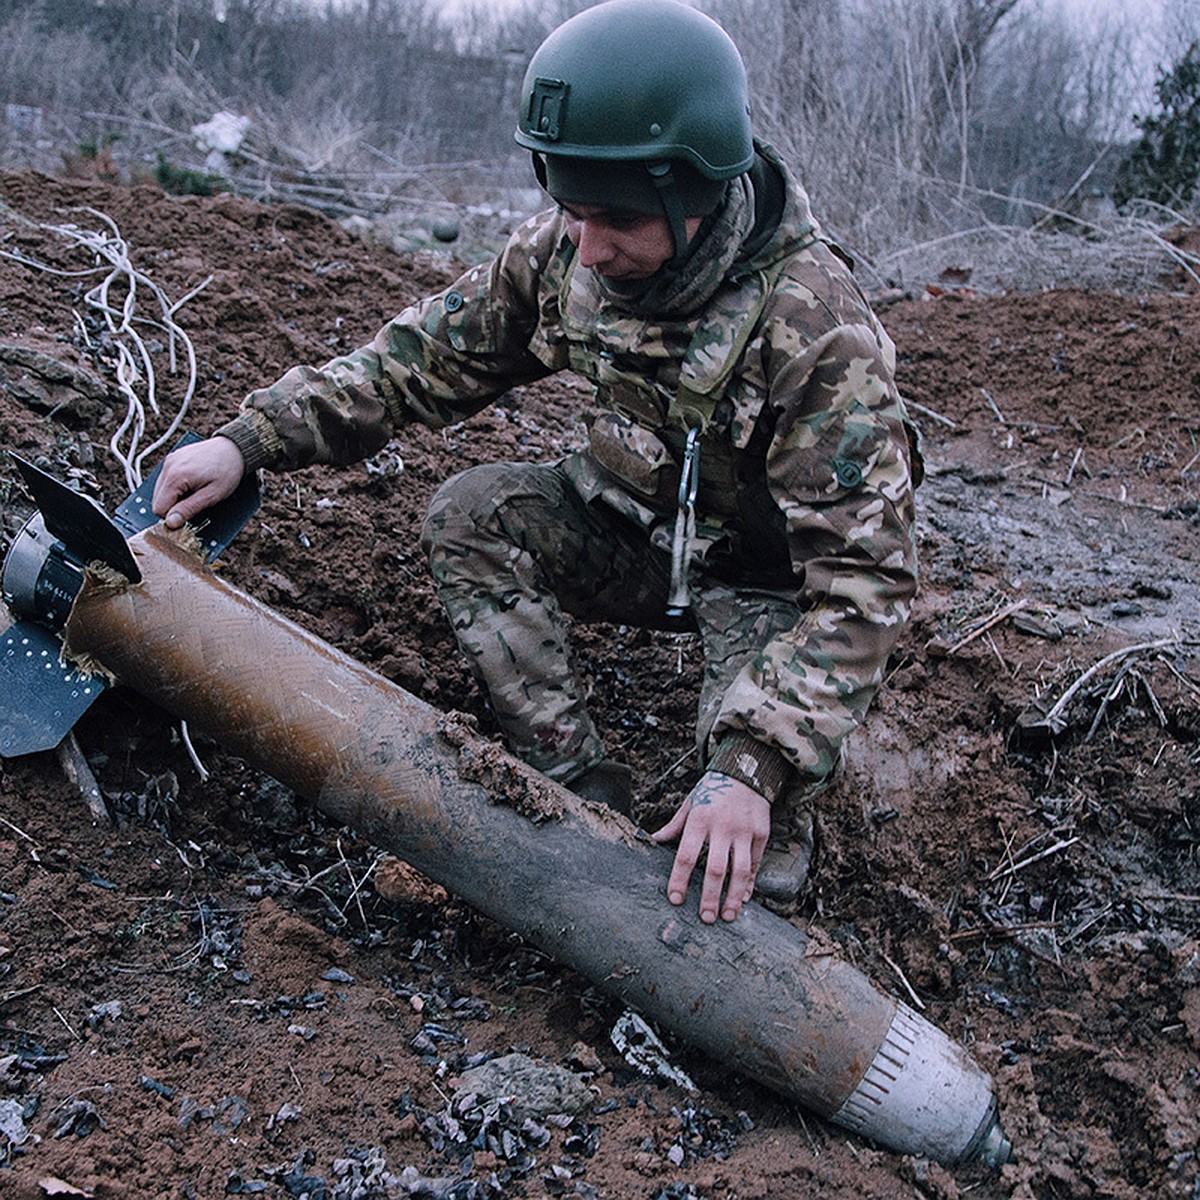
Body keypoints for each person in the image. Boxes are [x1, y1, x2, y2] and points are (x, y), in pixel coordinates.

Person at [152, 0, 920, 927]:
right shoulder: (568, 252)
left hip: (763, 585)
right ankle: (576, 798)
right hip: (629, 535)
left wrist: (752, 765)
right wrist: (250, 439)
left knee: (752, 861)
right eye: (571, 209)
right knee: (472, 513)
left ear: (694, 192)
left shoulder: (817, 330)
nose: (588, 247)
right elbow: (421, 360)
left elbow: (863, 583)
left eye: (619, 221)